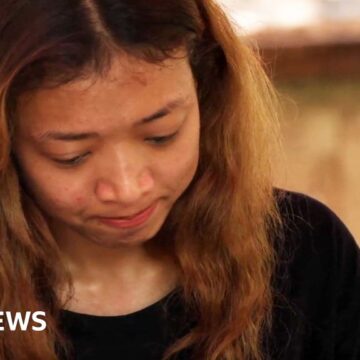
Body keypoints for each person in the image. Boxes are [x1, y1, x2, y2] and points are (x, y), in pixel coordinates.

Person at [0, 0, 359, 359]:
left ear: (206, 94)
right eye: (72, 157)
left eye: (161, 135)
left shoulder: (304, 254)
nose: (127, 189)